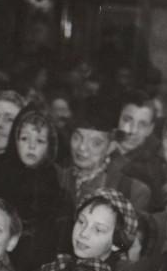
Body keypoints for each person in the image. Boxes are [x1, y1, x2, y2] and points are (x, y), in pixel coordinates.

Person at [0, 104, 64, 271]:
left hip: (43, 263)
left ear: (50, 146)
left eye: (40, 141)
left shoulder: (56, 180)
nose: (31, 146)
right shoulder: (0, 177)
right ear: (15, 140)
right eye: (24, 139)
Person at [58, 95, 152, 226]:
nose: (82, 147)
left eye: (96, 143)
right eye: (77, 138)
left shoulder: (132, 190)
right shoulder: (56, 177)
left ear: (110, 147)